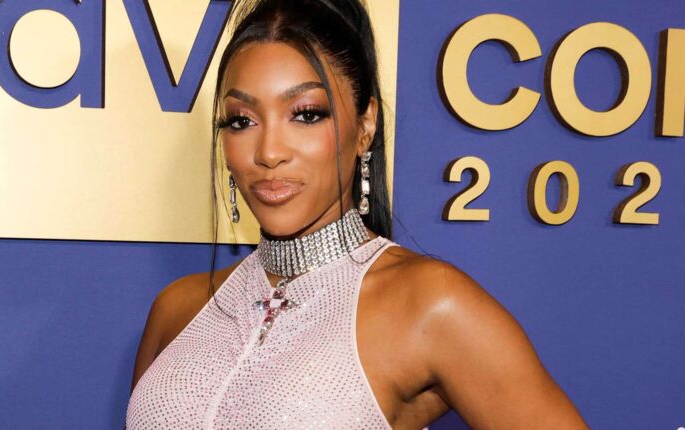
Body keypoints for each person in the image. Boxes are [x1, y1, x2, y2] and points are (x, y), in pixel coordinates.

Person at [126, 0, 590, 428]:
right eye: (242, 120)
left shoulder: (430, 304)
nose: (268, 152)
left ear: (365, 125)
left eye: (306, 114)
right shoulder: (178, 308)